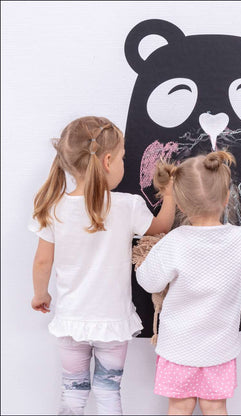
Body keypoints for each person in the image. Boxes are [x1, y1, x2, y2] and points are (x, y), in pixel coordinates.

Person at [29, 116, 176, 415]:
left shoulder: (54, 207)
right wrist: (170, 195)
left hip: (72, 321)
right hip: (112, 321)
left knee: (72, 392)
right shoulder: (127, 205)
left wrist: (40, 294)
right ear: (107, 161)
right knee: (109, 392)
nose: (124, 163)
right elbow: (160, 228)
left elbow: (43, 261)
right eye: (122, 158)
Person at [136, 150, 241, 416]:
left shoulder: (174, 242)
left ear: (180, 204)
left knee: (179, 407)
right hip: (219, 349)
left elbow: (149, 282)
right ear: (226, 198)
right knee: (215, 407)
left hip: (178, 348)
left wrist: (145, 257)